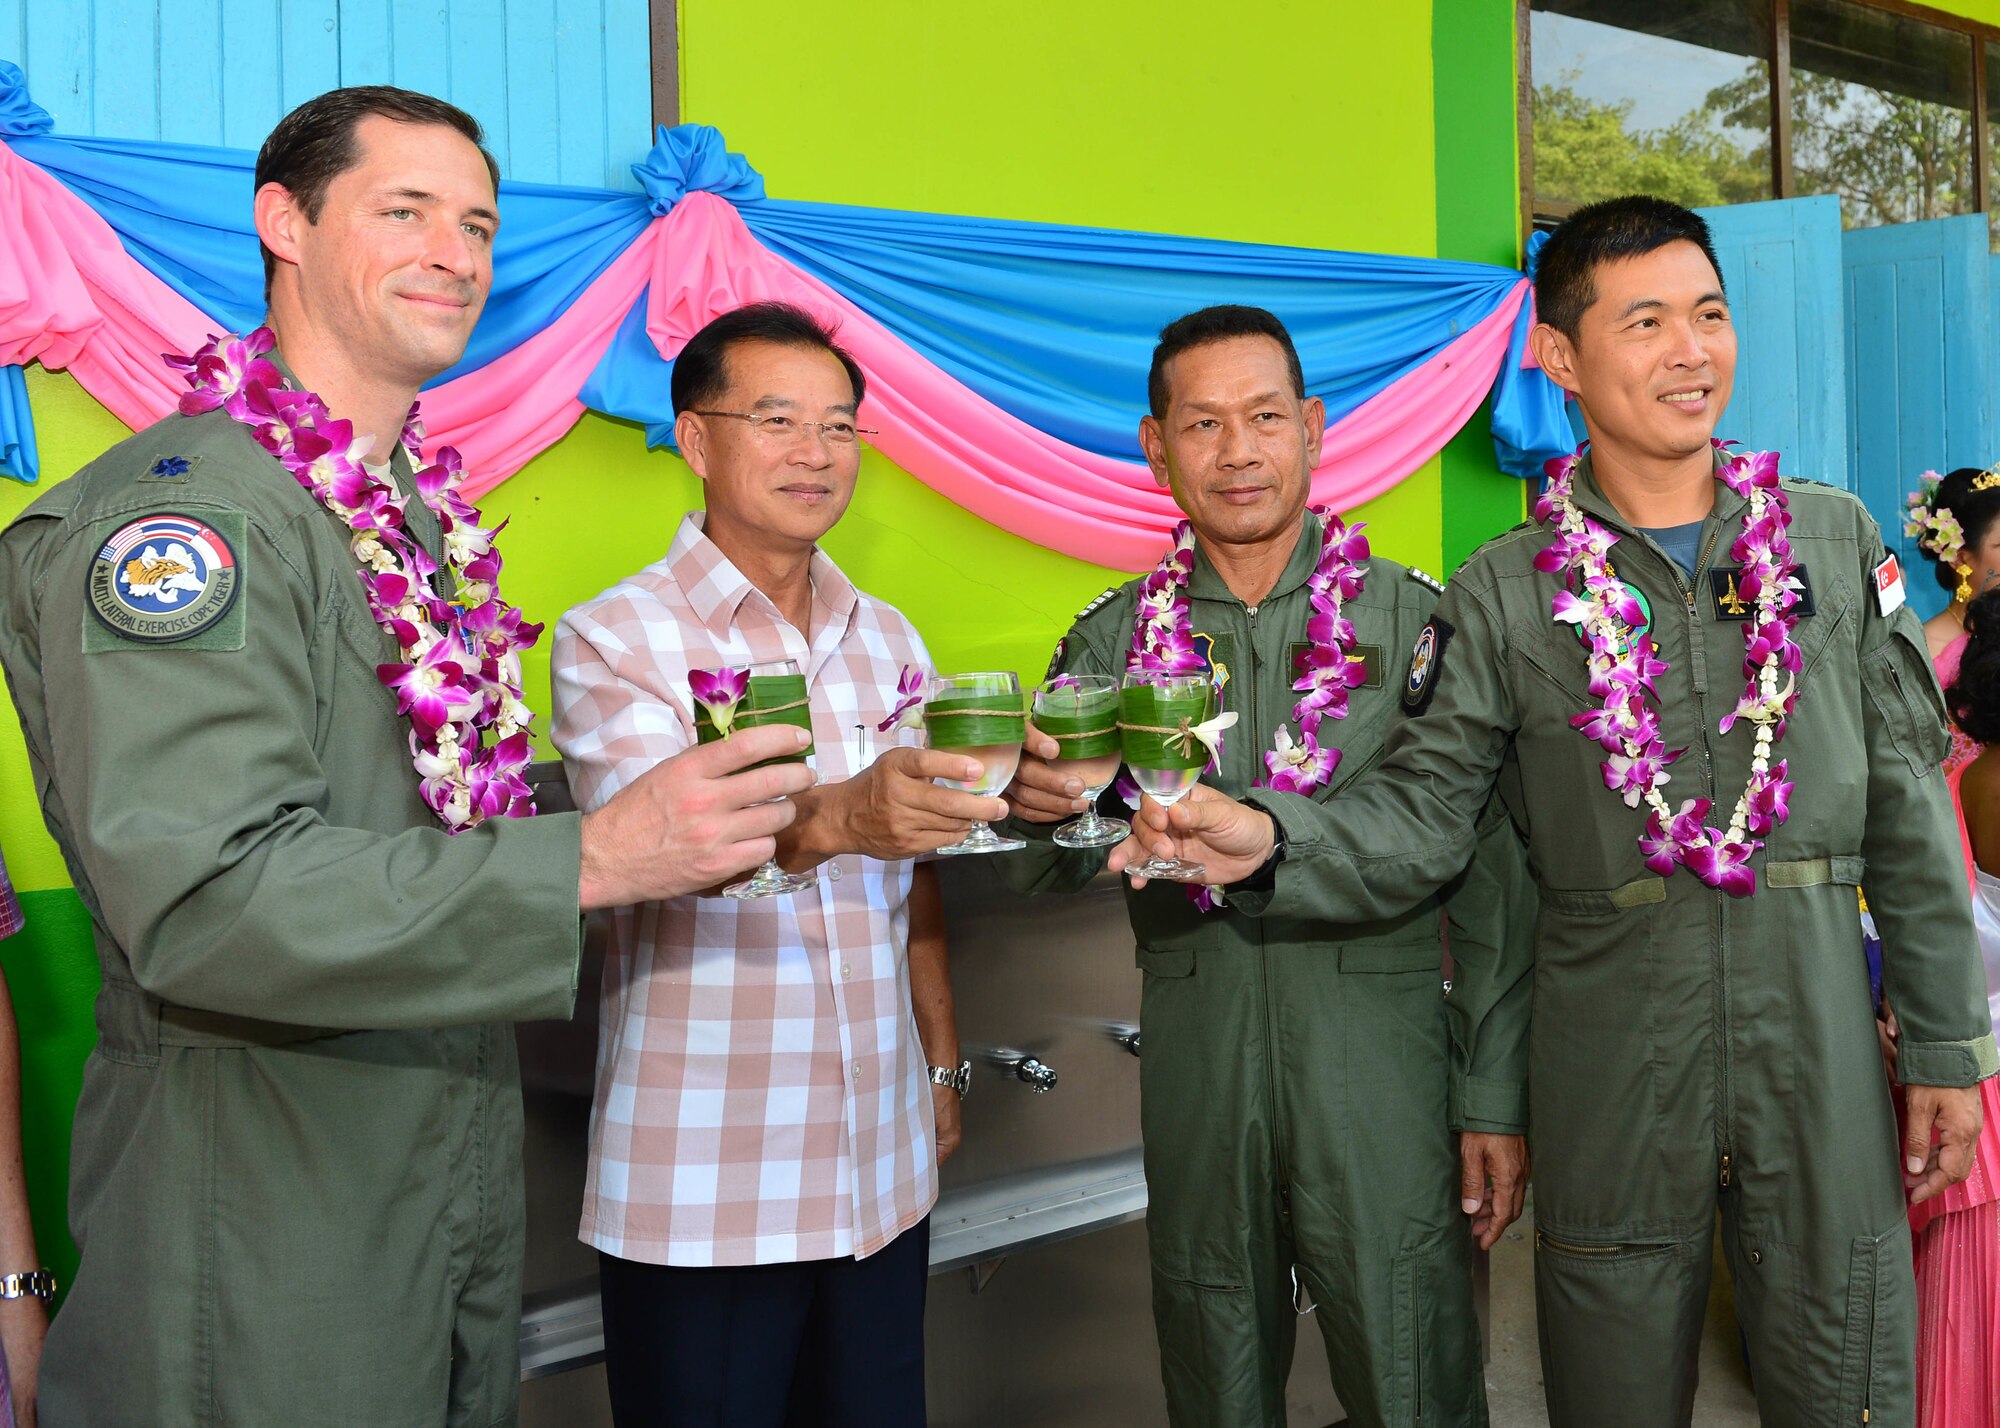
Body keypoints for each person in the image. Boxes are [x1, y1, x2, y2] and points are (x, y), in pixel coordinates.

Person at [0, 88, 812, 1428]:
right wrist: (597, 857)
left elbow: (417, 821)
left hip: (446, 1170)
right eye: (407, 211)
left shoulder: (410, 521)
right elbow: (209, 901)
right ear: (284, 223)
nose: (458, 250)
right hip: (263, 1208)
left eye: (480, 223)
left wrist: (699, 832)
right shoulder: (192, 527)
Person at [1116, 197, 1997, 1428]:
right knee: (1610, 1385)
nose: (1690, 351)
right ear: (1562, 358)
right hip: (1607, 1064)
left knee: (1848, 1371)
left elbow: (1909, 806)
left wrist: (1948, 1048)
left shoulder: (1829, 541)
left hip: (1819, 1053)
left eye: (1708, 314)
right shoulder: (1500, 596)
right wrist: (1271, 836)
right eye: (1645, 321)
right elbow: (1432, 818)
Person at [999, 304, 1535, 1428]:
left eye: (1262, 417)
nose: (1236, 451)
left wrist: (1489, 1096)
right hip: (1197, 1046)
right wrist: (1031, 807)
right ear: (1156, 448)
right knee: (1211, 1346)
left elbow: (1490, 882)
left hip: (1380, 1048)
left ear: (1313, 426)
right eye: (1201, 424)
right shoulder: (1108, 643)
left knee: (1410, 1355)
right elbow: (1046, 865)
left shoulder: (1414, 624)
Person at [552, 301, 1006, 1428]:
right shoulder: (616, 639)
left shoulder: (888, 635)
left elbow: (918, 865)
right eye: (777, 419)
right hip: (708, 1178)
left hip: (877, 1166)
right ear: (696, 441)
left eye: (840, 427)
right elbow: (659, 856)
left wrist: (940, 1060)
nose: (815, 452)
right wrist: (844, 815)